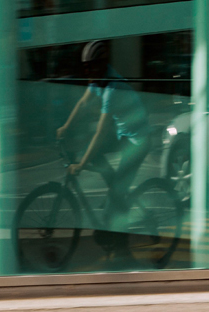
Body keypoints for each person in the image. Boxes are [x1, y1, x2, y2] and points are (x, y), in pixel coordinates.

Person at [57, 40, 151, 234]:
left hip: (138, 140)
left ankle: (122, 237)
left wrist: (81, 165)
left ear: (101, 65)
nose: (88, 72)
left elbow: (100, 133)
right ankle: (116, 191)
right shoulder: (97, 79)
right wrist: (66, 126)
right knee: (91, 154)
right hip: (122, 133)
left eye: (91, 67)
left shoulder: (112, 89)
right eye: (85, 67)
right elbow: (83, 103)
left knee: (116, 197)